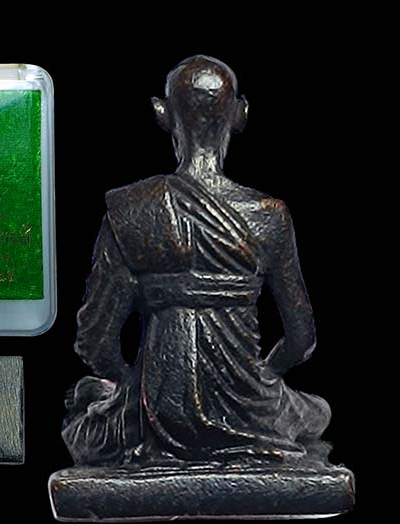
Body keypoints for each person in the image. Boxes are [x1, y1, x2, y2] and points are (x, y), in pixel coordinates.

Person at [63, 55, 331, 465]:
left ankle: (118, 400)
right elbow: (301, 339)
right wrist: (261, 377)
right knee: (317, 413)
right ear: (240, 114)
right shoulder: (269, 216)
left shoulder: (131, 209)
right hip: (250, 407)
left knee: (83, 426)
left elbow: (94, 340)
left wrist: (132, 385)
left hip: (155, 409)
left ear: (161, 113)